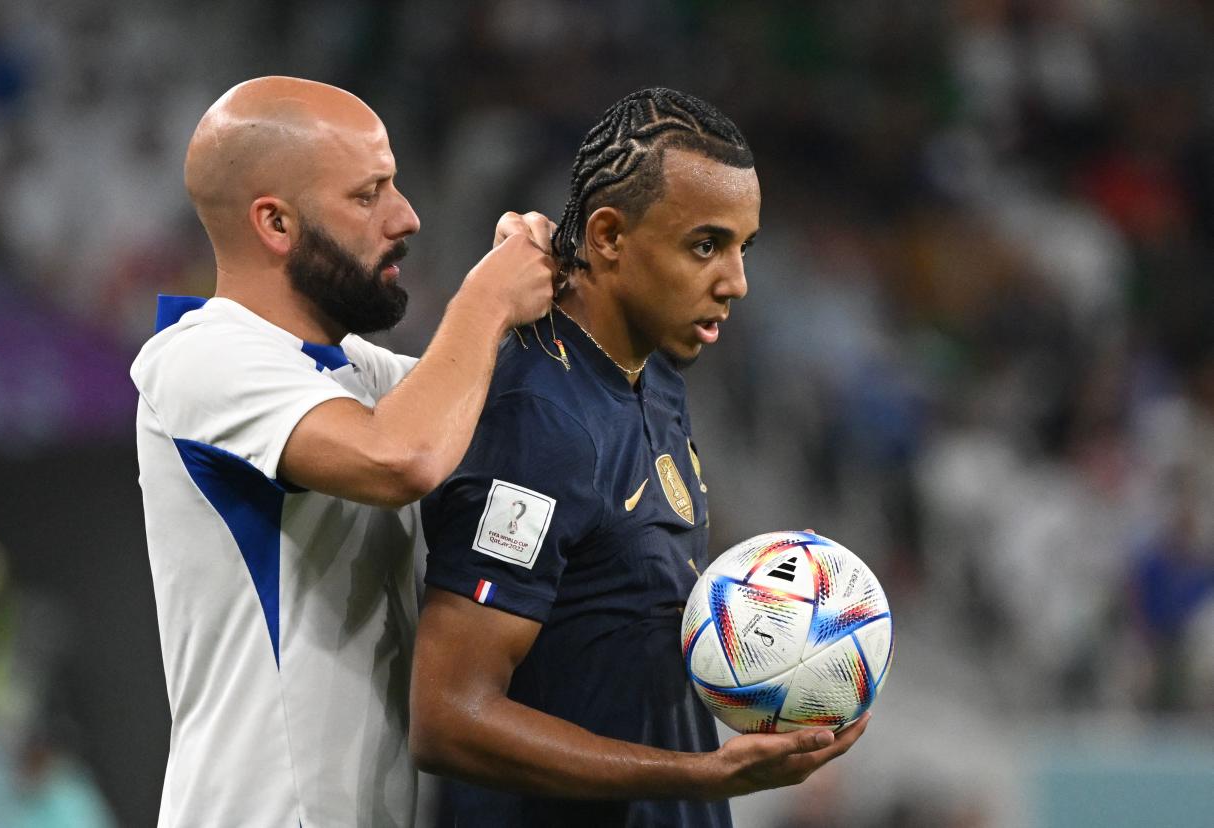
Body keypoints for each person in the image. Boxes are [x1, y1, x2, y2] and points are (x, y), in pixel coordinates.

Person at [412, 88, 869, 827]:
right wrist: (698, 775)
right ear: (608, 236)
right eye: (705, 245)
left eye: (743, 248)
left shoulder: (654, 378)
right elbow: (447, 715)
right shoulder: (539, 419)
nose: (736, 281)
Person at [130, 76, 556, 828]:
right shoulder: (201, 357)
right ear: (275, 223)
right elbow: (402, 458)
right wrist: (488, 299)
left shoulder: (355, 372)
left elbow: (486, 403)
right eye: (368, 196)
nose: (407, 216)